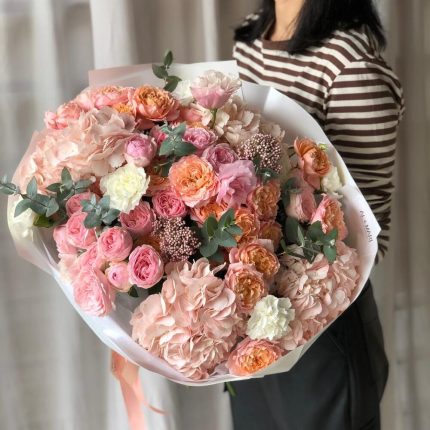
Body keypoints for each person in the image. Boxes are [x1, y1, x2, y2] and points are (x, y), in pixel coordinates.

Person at [230, 1, 404, 429]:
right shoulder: (252, 36)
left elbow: (366, 236)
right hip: (249, 326)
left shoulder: (350, 69)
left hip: (321, 335)